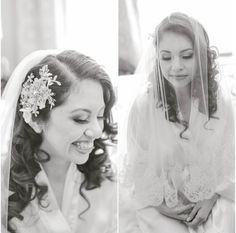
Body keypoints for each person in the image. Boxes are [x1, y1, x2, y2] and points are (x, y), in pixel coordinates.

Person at [124, 12, 234, 233]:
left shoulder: (221, 101)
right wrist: (162, 206)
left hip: (214, 195)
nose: (176, 66)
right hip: (160, 201)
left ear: (201, 56)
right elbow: (138, 167)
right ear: (157, 58)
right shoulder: (144, 106)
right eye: (166, 57)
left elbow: (232, 159)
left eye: (186, 56)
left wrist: (212, 197)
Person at [1, 50, 117, 233]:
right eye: (80, 118)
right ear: (36, 119)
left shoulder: (108, 179)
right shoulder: (3, 184)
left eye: (100, 116)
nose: (96, 131)